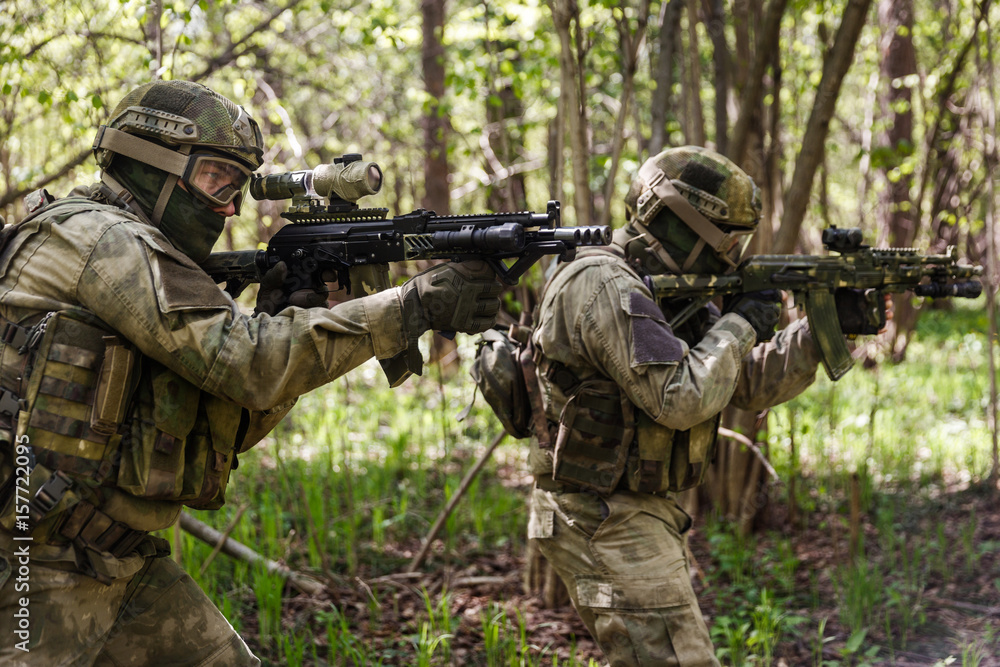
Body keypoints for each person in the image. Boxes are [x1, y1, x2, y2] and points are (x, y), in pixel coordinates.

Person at [0, 80, 501, 665]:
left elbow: (227, 420)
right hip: (32, 569)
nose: (231, 206)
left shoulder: (131, 248)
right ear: (150, 163)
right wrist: (407, 307)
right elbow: (243, 362)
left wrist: (290, 314)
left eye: (237, 186)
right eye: (216, 179)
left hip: (115, 560)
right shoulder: (101, 238)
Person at [524, 146, 827, 666]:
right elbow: (680, 397)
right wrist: (740, 323)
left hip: (630, 511)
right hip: (602, 516)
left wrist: (822, 332)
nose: (732, 253)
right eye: (726, 237)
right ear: (674, 221)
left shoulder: (658, 287)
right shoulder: (604, 284)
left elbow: (741, 382)